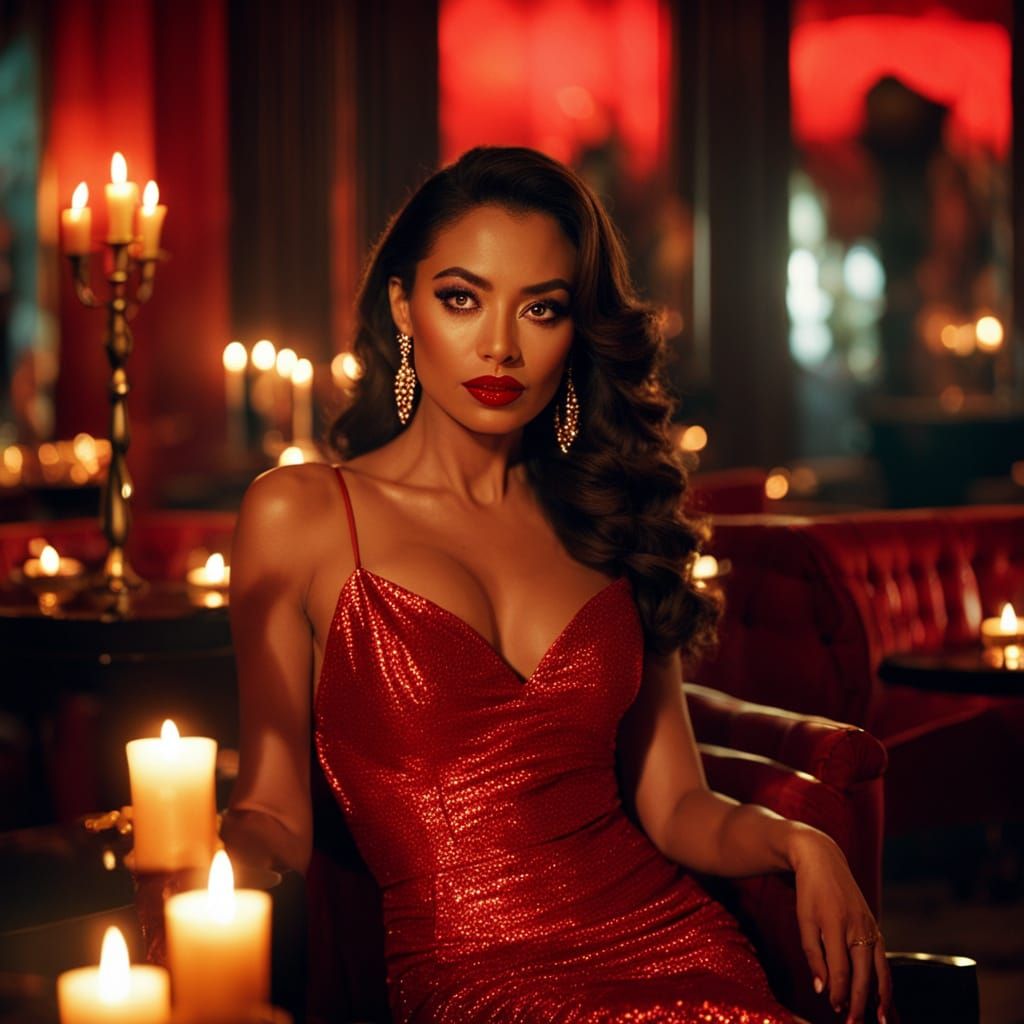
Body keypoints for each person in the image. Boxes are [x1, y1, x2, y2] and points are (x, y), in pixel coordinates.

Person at [223, 146, 891, 1024]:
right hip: (474, 981)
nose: (500, 345)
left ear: (577, 330)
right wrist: (201, 869)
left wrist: (800, 841)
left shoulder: (609, 518)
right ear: (403, 306)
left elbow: (676, 805)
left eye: (541, 308)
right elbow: (273, 808)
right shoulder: (301, 515)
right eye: (462, 298)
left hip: (675, 945)